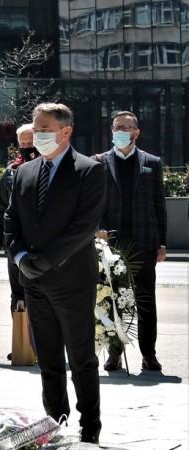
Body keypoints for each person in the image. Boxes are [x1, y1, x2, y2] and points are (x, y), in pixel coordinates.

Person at [4, 103, 105, 443]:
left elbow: (84, 227)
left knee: (81, 358)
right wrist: (19, 257)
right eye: (36, 127)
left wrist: (45, 261)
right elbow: (10, 220)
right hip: (33, 281)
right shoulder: (25, 172)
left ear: (66, 131)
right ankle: (55, 422)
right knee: (47, 359)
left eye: (45, 128)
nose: (38, 134)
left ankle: (90, 426)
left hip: (71, 280)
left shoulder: (89, 170)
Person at [93, 111, 167, 372]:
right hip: (111, 244)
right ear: (111, 131)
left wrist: (162, 243)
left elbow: (159, 204)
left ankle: (149, 354)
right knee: (112, 300)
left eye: (127, 127)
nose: (121, 130)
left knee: (145, 300)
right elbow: (93, 203)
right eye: (117, 127)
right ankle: (114, 353)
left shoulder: (151, 162)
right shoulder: (99, 162)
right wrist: (98, 230)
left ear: (136, 132)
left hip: (144, 242)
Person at [0, 124, 40, 315]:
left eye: (30, 142)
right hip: (16, 244)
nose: (26, 147)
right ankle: (22, 341)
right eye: (22, 143)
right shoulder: (11, 173)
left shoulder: (50, 167)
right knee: (18, 295)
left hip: (43, 244)